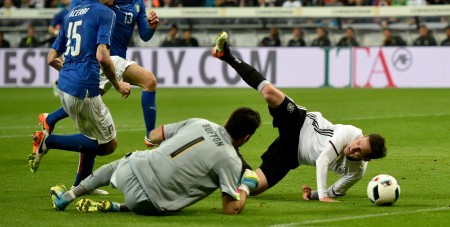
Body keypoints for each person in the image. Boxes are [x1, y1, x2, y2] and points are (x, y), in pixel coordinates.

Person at [211, 32, 387, 202]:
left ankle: (231, 151)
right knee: (270, 93)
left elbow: (336, 190)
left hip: (291, 155)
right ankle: (227, 56)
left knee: (253, 187)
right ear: (362, 137)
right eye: (358, 144)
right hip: (299, 123)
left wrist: (314, 194)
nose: (354, 148)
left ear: (366, 159)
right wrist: (324, 196)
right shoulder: (350, 132)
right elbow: (323, 160)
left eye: (359, 152)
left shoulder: (357, 172)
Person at [37, 0, 159, 192]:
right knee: (149, 81)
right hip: (106, 59)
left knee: (89, 127)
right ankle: (150, 135)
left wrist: (151, 26)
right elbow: (77, 5)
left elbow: (144, 35)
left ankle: (51, 123)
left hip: (109, 63)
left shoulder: (139, 3)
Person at [28, 0, 131, 190]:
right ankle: (48, 141)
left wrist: (71, 71)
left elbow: (51, 58)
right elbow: (103, 56)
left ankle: (82, 185)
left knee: (89, 135)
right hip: (84, 89)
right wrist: (118, 84)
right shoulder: (106, 13)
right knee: (107, 145)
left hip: (65, 86)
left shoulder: (71, 14)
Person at [49, 107, 261, 215]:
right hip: (150, 204)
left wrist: (155, 141)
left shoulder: (200, 122)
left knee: (126, 161)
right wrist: (246, 187)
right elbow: (230, 208)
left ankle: (69, 195)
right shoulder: (231, 160)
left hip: (129, 171)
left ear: (228, 120)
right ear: (247, 138)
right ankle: (119, 207)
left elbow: (155, 135)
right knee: (168, 193)